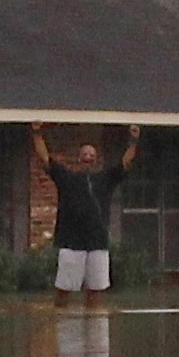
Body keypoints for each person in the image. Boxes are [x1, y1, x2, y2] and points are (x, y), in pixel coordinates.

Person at [37, 124, 134, 296]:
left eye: (91, 155)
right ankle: (62, 320)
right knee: (63, 291)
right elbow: (45, 158)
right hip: (71, 242)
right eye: (84, 155)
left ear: (96, 159)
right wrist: (36, 132)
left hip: (97, 242)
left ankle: (94, 321)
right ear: (78, 158)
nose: (88, 158)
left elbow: (125, 163)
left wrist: (133, 140)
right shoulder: (67, 178)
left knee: (95, 292)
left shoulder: (105, 179)